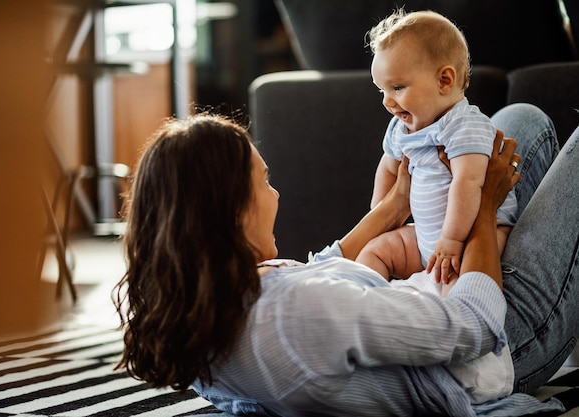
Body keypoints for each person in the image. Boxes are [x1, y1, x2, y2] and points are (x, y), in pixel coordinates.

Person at [113, 103, 577, 416]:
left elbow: (322, 269)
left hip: (447, 318)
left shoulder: (196, 313)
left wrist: (396, 204)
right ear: (231, 208)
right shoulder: (298, 315)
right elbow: (472, 327)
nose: (275, 194)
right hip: (499, 347)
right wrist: (483, 209)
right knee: (534, 135)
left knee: (519, 121)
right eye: (264, 180)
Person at [355, 10, 518, 294]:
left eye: (397, 87)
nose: (387, 101)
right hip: (424, 237)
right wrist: (381, 214)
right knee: (373, 251)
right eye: (381, 90)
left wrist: (453, 240)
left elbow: (468, 183)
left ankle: (445, 318)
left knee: (456, 284)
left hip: (471, 236)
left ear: (444, 80)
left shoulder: (464, 126)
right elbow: (389, 167)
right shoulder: (401, 127)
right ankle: (368, 303)